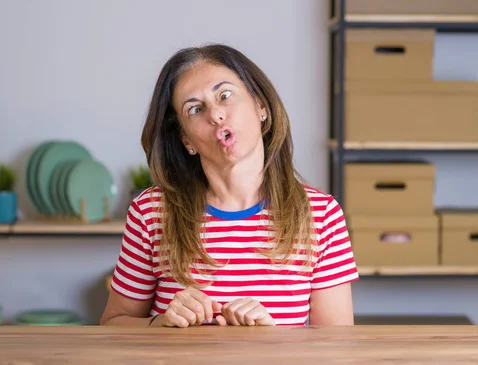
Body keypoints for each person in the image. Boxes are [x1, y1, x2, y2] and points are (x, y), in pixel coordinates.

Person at [100, 44, 359, 327]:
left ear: (261, 106)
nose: (215, 115)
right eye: (195, 109)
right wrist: (159, 324)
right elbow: (113, 324)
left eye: (224, 95)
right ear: (186, 140)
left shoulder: (321, 215)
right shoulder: (150, 213)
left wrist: (273, 340)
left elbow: (336, 347)